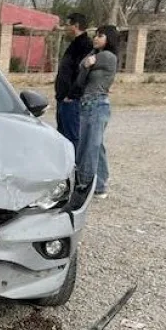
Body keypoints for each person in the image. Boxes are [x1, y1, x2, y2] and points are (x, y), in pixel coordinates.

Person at [73, 24, 120, 200]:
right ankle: (100, 186)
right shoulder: (96, 54)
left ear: (109, 39)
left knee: (89, 146)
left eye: (101, 36)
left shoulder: (107, 56)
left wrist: (88, 63)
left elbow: (82, 65)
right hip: (89, 104)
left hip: (96, 104)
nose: (96, 38)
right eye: (96, 35)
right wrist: (88, 62)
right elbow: (83, 66)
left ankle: (84, 184)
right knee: (96, 146)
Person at [53, 13, 93, 148]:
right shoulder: (74, 44)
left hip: (71, 100)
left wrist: (72, 95)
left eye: (67, 25)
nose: (65, 28)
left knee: (71, 137)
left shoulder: (85, 45)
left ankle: (74, 161)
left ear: (75, 26)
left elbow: (82, 73)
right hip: (62, 97)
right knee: (62, 136)